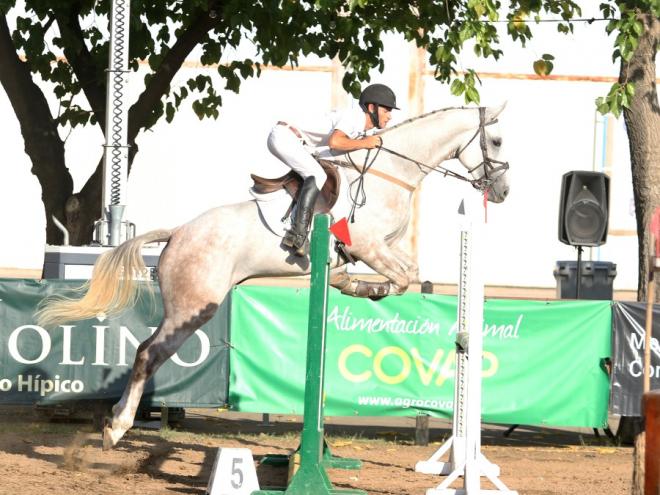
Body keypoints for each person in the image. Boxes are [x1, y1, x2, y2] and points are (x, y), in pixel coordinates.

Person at [267, 83, 399, 255]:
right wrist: (365, 143)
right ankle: (297, 235)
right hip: (285, 137)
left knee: (332, 185)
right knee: (317, 175)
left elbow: (336, 150)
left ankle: (340, 242)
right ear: (372, 107)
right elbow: (335, 142)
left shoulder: (359, 125)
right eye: (387, 110)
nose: (389, 116)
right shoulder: (356, 117)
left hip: (298, 143)